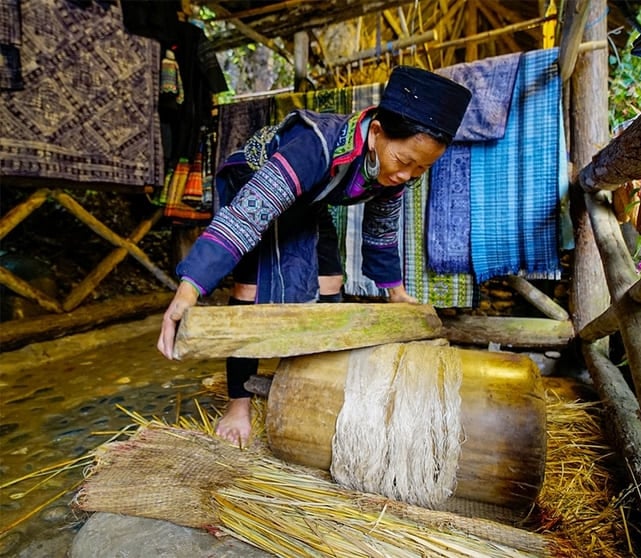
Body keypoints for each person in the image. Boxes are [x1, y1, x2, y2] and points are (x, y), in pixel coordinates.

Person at [157, 66, 472, 446]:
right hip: (255, 185)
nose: (409, 174)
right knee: (252, 292)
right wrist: (189, 292)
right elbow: (243, 219)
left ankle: (317, 383)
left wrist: (396, 293)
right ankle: (238, 403)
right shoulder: (314, 145)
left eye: (422, 167)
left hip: (310, 199)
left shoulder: (394, 174)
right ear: (375, 133)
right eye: (405, 161)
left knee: (330, 281)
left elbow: (381, 231)